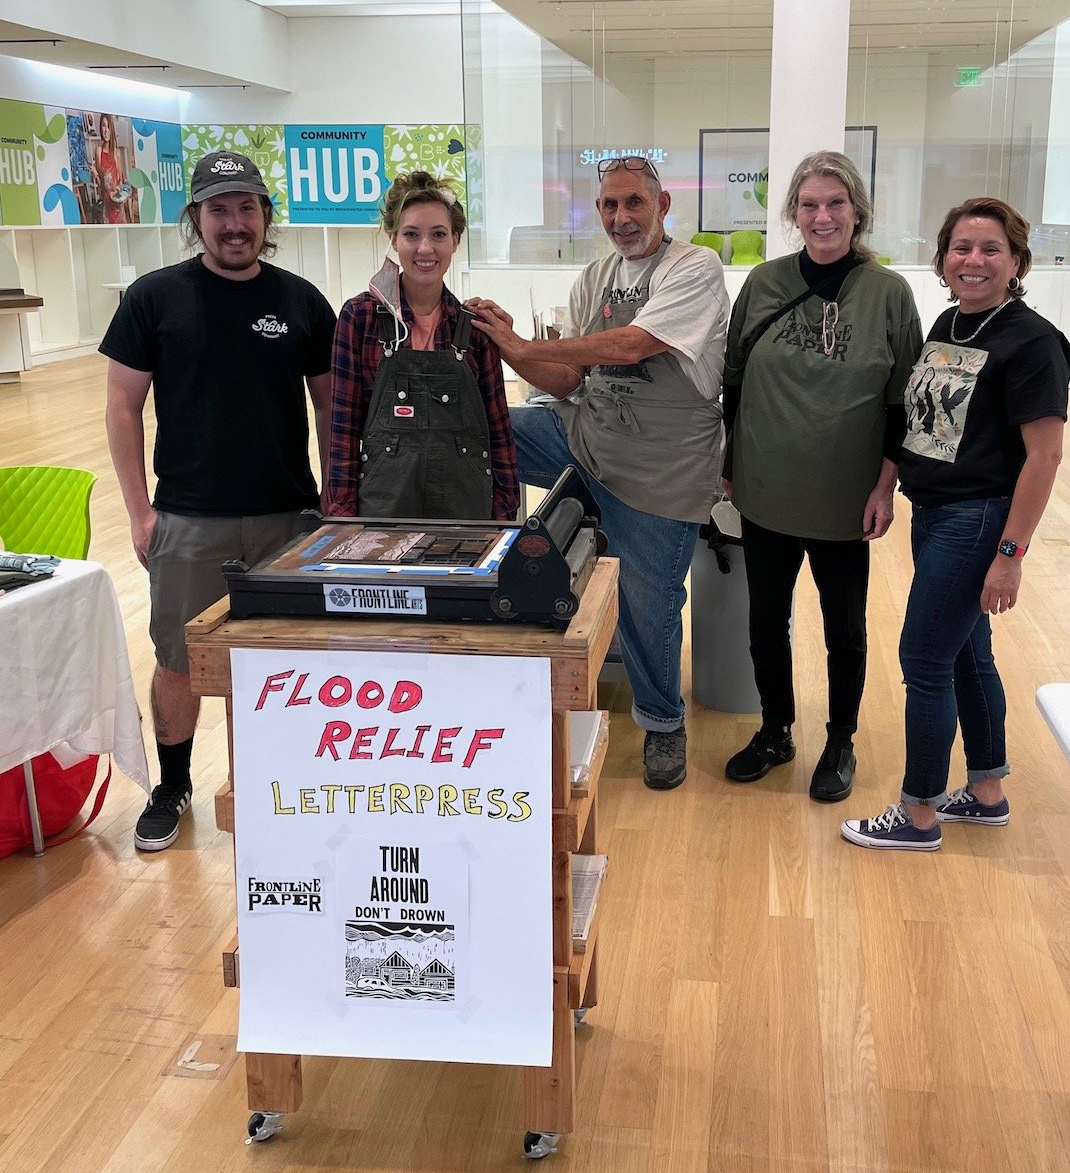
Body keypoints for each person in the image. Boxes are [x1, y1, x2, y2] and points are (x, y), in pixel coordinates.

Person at [468, 155, 728, 790]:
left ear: (663, 207)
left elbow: (635, 344)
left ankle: (662, 722)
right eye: (609, 206)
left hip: (663, 465)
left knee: (650, 601)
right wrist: (509, 345)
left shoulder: (694, 267)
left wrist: (529, 348)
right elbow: (566, 378)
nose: (621, 217)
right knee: (480, 437)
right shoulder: (595, 276)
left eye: (634, 203)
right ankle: (485, 615)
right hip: (589, 436)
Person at [103, 150, 336, 853]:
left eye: (246, 209)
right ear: (195, 219)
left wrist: (334, 503)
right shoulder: (153, 298)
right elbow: (122, 408)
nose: (233, 224)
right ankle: (172, 785)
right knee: (179, 661)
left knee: (285, 663)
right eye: (218, 210)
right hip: (187, 518)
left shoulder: (301, 302)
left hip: (288, 520)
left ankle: (283, 784)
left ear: (267, 217)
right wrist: (140, 513)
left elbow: (331, 412)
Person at [841, 196, 1070, 851]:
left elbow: (1045, 455)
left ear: (1016, 261)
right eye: (961, 248)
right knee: (968, 653)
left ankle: (918, 813)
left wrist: (1011, 553)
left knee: (923, 659)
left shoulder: (1031, 342)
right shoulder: (950, 323)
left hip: (978, 519)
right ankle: (987, 791)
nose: (973, 260)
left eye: (990, 249)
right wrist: (888, 486)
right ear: (943, 259)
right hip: (935, 512)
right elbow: (920, 423)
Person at [721, 151, 923, 802]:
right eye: (809, 204)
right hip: (766, 490)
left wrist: (885, 484)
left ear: (857, 211)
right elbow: (732, 381)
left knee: (845, 627)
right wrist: (729, 470)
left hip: (844, 498)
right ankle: (776, 730)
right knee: (765, 620)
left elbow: (904, 401)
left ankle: (841, 741)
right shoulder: (764, 283)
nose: (823, 215)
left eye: (836, 203)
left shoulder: (889, 294)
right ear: (793, 215)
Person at [325, 171, 518, 521]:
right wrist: (341, 517)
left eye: (439, 235)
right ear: (393, 238)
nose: (425, 248)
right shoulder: (360, 319)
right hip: (382, 517)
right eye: (411, 234)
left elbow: (498, 434)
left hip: (467, 518)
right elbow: (343, 431)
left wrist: (504, 516)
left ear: (455, 241)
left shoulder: (475, 328)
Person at [96, 113, 128, 225]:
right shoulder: (98, 151)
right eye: (103, 126)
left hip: (118, 204)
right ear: (100, 128)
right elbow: (100, 183)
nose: (106, 130)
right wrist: (94, 175)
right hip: (107, 205)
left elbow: (120, 180)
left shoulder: (116, 152)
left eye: (108, 126)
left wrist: (119, 192)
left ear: (112, 129)